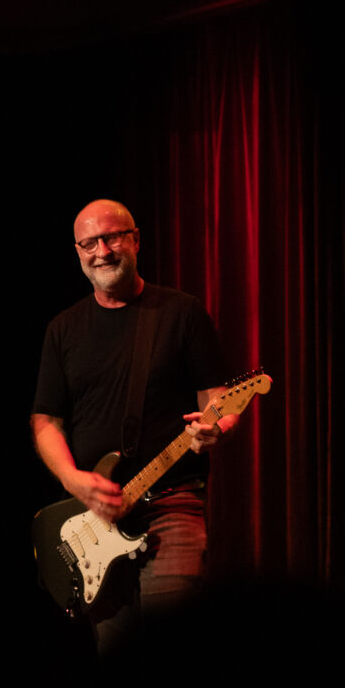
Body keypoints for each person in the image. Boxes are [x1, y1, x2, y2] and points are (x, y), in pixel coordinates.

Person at [31, 198, 239, 652]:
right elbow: (46, 421)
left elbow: (219, 401)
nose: (102, 251)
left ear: (136, 240)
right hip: (97, 518)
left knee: (170, 648)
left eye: (112, 237)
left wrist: (216, 428)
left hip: (171, 506)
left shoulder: (181, 312)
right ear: (77, 251)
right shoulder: (63, 329)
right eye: (89, 243)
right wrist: (74, 481)